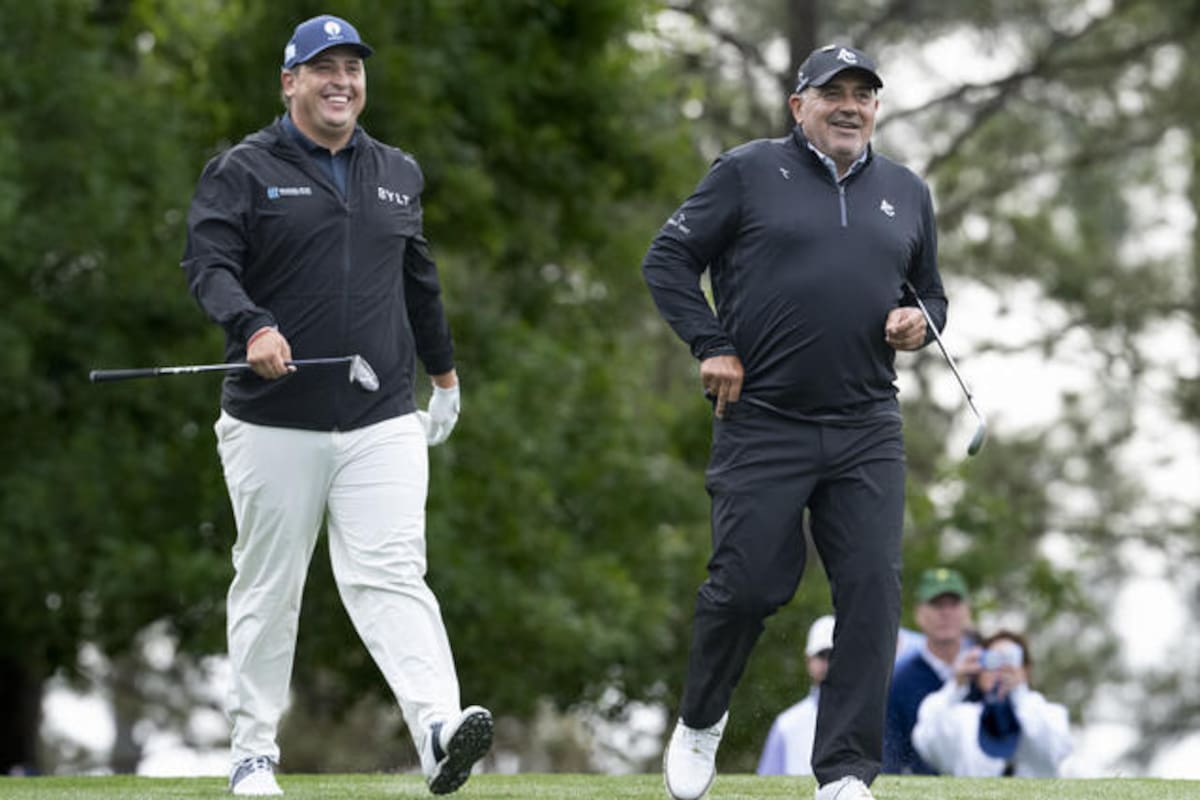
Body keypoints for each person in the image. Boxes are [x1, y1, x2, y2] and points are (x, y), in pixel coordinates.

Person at [180, 14, 492, 796]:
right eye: (324, 69)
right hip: (271, 420)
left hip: (381, 416)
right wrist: (251, 325)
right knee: (269, 584)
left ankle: (436, 727)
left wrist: (445, 377)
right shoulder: (242, 171)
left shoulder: (397, 173)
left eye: (352, 69)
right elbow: (208, 265)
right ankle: (253, 753)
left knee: (393, 573)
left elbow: (418, 281)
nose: (341, 82)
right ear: (291, 82)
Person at [643, 43, 948, 800]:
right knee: (747, 586)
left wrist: (920, 320)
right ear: (798, 106)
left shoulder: (906, 191)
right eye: (833, 92)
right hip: (763, 419)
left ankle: (844, 772)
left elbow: (932, 294)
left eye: (863, 94)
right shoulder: (747, 171)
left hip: (866, 424)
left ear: (877, 107)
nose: (850, 106)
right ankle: (701, 722)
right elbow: (667, 260)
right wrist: (711, 344)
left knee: (872, 591)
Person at [912, 631, 1073, 776]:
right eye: (994, 660)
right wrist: (955, 686)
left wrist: (1018, 694)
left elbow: (1051, 752)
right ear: (980, 670)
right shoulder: (963, 718)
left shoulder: (1051, 714)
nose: (1002, 669)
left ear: (1026, 670)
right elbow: (927, 741)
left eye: (1011, 659)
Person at [882, 567, 975, 775]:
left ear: (967, 610)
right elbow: (890, 759)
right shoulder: (899, 681)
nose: (945, 613)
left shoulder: (987, 671)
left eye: (953, 604)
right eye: (936, 604)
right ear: (919, 613)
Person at [756, 615, 835, 776]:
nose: (828, 662)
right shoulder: (786, 724)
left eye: (833, 655)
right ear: (808, 661)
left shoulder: (867, 717)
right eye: (822, 655)